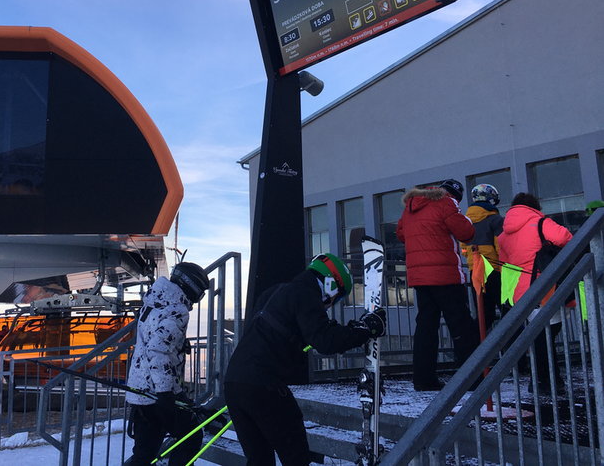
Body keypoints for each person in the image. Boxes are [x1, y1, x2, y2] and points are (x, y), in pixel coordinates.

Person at [224, 253, 386, 466]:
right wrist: (364, 330)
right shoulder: (305, 294)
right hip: (265, 386)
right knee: (295, 455)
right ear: (330, 284)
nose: (330, 305)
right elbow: (325, 340)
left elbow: (311, 331)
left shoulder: (276, 292)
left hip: (235, 383)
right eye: (337, 297)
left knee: (259, 458)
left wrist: (348, 330)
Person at [124, 262, 209, 466]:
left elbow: (151, 342)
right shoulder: (177, 310)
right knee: (191, 437)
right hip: (157, 393)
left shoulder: (154, 301)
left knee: (145, 453)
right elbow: (157, 349)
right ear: (192, 286)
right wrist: (165, 393)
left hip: (139, 391)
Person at [396, 179, 478, 391]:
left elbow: (401, 234)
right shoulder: (447, 203)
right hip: (445, 275)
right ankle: (471, 378)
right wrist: (465, 219)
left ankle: (423, 380)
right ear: (454, 195)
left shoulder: (411, 207)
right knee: (461, 325)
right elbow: (466, 233)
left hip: (420, 278)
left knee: (426, 327)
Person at [498, 192, 572, 392]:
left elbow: (504, 263)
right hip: (544, 287)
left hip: (520, 291)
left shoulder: (504, 234)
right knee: (546, 333)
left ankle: (544, 379)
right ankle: (546, 381)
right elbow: (566, 238)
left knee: (540, 333)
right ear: (534, 206)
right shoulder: (540, 223)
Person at [461, 183, 505, 331]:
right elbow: (500, 246)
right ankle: (514, 350)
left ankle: (475, 348)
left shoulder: (466, 221)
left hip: (476, 271)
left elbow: (464, 248)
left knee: (484, 315)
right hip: (494, 269)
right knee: (508, 311)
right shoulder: (495, 219)